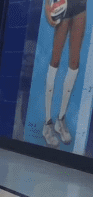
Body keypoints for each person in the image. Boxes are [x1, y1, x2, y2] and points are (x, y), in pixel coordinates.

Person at [41, 0, 87, 148]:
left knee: (74, 63)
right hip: (63, 5)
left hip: (80, 5)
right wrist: (48, 6)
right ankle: (47, 123)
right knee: (55, 60)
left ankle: (60, 120)